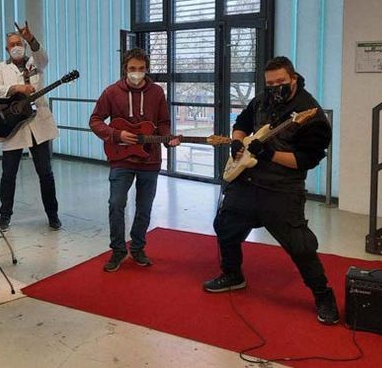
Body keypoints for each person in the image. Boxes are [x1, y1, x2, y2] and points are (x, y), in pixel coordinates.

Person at [203, 56, 338, 325]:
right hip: (247, 182)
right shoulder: (262, 100)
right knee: (226, 226)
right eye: (270, 83)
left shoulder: (311, 115)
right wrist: (238, 142)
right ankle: (232, 274)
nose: (276, 87)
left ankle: (323, 295)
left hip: (282, 189)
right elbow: (242, 122)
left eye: (281, 82)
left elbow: (306, 160)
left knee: (300, 246)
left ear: (293, 79)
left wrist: (269, 154)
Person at [89, 49, 179, 272]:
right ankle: (118, 250)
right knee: (116, 203)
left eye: (141, 69)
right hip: (121, 158)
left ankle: (138, 248)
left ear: (146, 69)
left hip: (150, 159)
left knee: (144, 208)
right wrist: (116, 134)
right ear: (125, 69)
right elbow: (95, 120)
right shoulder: (111, 92)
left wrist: (167, 138)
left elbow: (164, 122)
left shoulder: (157, 92)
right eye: (132, 69)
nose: (136, 73)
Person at [0, 22, 61, 232]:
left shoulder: (35, 62)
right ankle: (5, 216)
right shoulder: (1, 68)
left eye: (19, 43)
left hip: (38, 123)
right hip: (14, 125)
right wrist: (16, 88)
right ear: (7, 49)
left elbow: (44, 58)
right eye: (12, 45)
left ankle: (53, 215)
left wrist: (30, 38)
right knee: (8, 174)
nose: (16, 47)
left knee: (45, 173)